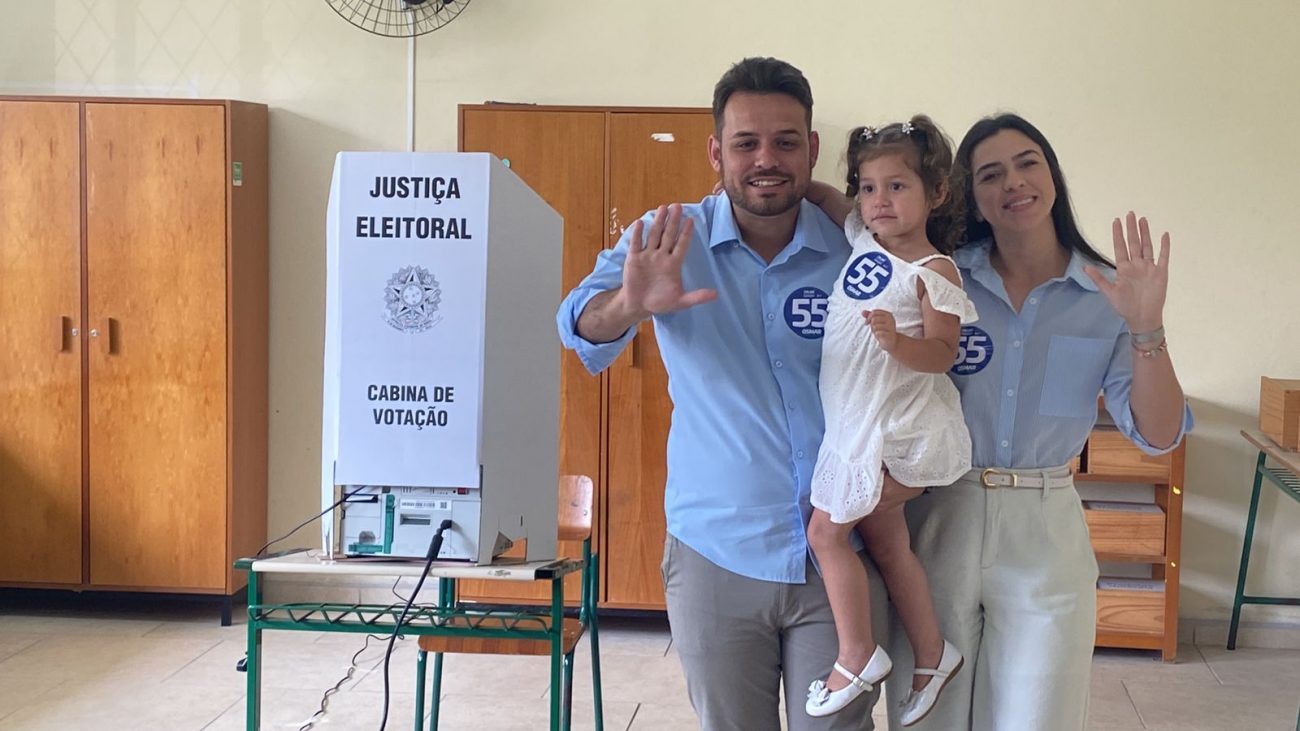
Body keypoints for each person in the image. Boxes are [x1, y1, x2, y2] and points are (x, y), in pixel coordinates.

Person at [556, 57, 899, 730]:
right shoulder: (665, 238)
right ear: (717, 150)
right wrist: (630, 303)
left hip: (841, 555)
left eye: (785, 141)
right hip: (718, 553)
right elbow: (578, 325)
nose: (765, 159)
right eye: (746, 143)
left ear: (812, 150)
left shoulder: (856, 251)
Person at [882, 113, 1194, 730]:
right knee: (928, 716)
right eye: (990, 174)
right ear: (970, 195)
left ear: (1051, 175)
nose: (1014, 183)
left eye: (1028, 163)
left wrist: (1146, 327)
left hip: (1045, 529)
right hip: (939, 510)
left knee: (1038, 716)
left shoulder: (1105, 295)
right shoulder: (939, 278)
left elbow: (1158, 434)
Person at [800, 116, 974, 726]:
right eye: (869, 187)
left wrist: (899, 342)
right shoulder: (865, 240)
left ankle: (857, 654)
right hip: (855, 419)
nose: (879, 201)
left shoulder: (935, 271)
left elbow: (943, 352)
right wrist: (799, 186)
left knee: (826, 534)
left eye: (897, 187)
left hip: (895, 428)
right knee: (886, 540)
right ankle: (932, 652)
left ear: (937, 193)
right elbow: (828, 198)